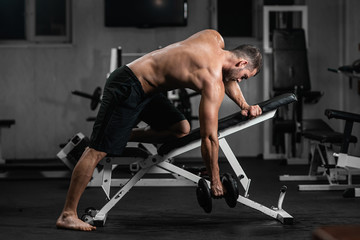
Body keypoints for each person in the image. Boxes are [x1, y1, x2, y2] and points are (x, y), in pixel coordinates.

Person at [56, 29, 263, 231]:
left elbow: (229, 76)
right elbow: (209, 137)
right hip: (127, 84)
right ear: (242, 62)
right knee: (97, 151)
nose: (238, 82)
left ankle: (118, 135)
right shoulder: (212, 82)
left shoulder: (213, 38)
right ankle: (68, 215)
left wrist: (244, 105)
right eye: (243, 77)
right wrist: (215, 181)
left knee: (180, 128)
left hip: (149, 92)